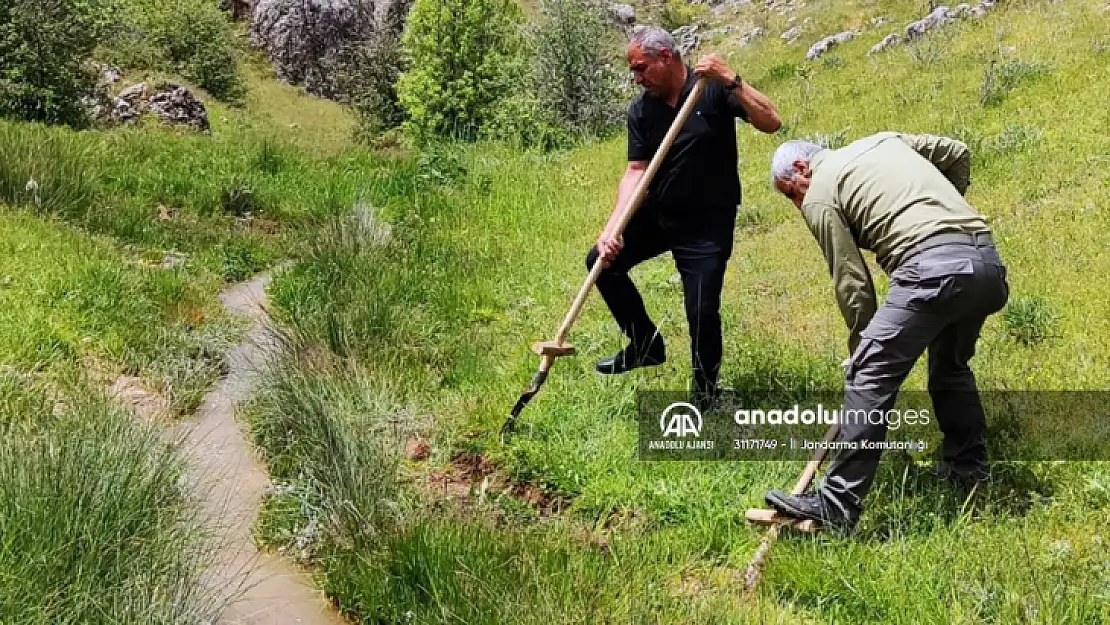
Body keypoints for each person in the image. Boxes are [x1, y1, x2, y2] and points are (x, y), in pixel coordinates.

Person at [764, 132, 1010, 531]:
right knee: (950, 369)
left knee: (869, 376)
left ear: (800, 168)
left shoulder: (820, 192)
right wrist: (937, 212)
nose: (799, 205)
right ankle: (970, 475)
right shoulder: (883, 141)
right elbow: (957, 153)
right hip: (985, 262)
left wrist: (863, 347)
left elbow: (851, 280)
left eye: (792, 194)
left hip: (931, 271)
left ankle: (837, 504)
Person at [586, 25, 782, 406]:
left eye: (641, 68)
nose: (636, 77)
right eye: (633, 70)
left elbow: (771, 121)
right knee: (601, 261)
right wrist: (613, 229)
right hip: (659, 216)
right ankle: (645, 344)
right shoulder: (642, 110)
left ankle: (706, 394)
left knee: (701, 308)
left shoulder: (711, 89)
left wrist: (733, 79)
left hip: (708, 223)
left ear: (667, 57)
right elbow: (636, 171)